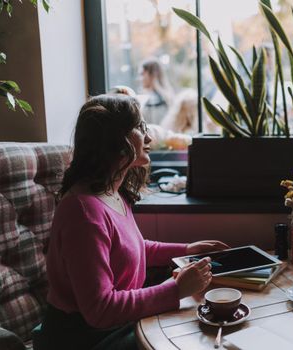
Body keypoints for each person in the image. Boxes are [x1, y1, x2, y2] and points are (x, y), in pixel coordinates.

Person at [35, 94, 229, 350]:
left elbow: (132, 248)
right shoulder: (82, 213)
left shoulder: (110, 192)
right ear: (114, 138)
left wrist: (187, 250)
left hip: (118, 324)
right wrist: (175, 290)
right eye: (140, 128)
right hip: (85, 338)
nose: (149, 138)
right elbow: (100, 310)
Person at [139, 57, 174, 125]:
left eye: (142, 74)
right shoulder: (167, 97)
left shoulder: (154, 100)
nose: (140, 79)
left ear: (152, 75)